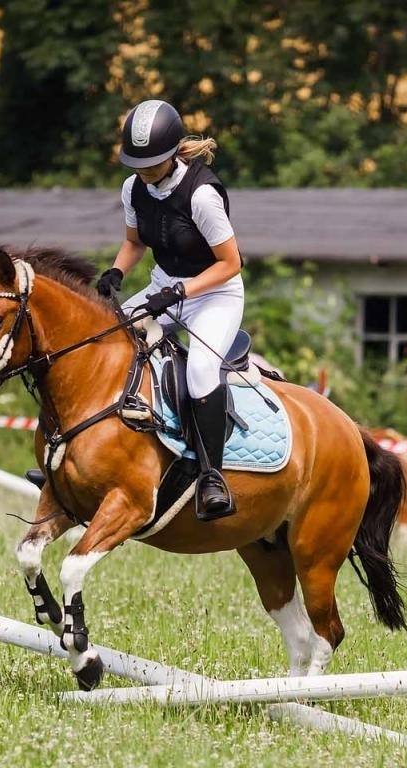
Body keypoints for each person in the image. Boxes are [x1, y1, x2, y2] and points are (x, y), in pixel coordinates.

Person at [95, 99, 243, 521]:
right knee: (107, 338)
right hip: (166, 287)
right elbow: (135, 242)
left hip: (216, 294)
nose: (142, 172)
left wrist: (180, 291)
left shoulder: (202, 195)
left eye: (152, 163)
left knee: (199, 371)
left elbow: (231, 264)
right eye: (136, 164)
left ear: (173, 153)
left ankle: (213, 477)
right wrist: (116, 272)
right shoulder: (133, 189)